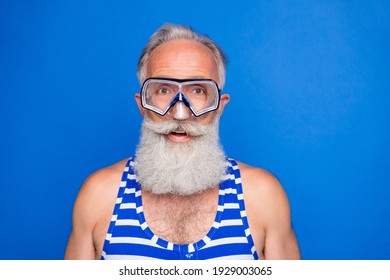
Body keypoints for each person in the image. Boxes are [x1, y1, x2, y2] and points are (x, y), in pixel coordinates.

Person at [64, 23, 300, 260]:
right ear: (142, 104)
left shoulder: (263, 196)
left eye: (198, 91)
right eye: (163, 90)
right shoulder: (99, 195)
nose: (179, 113)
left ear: (219, 106)